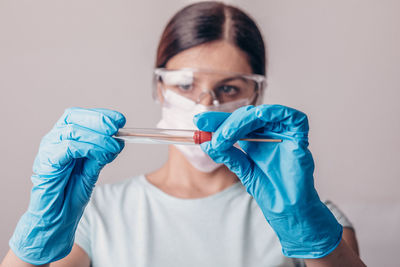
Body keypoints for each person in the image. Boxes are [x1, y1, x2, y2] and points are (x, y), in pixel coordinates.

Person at [1, 2, 365, 267]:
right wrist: (28, 250)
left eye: (229, 89)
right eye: (185, 84)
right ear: (159, 87)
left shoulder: (310, 217)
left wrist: (316, 241)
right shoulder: (93, 214)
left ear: (257, 97)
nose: (205, 106)